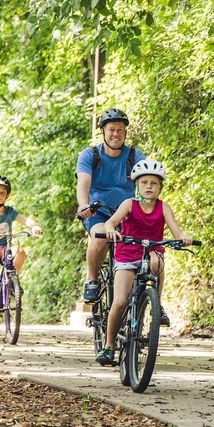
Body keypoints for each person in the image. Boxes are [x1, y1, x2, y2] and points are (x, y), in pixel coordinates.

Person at [95, 159, 191, 366]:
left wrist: (182, 238)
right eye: (144, 182)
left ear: (160, 187)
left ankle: (158, 302)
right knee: (120, 301)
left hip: (151, 251)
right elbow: (112, 221)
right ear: (137, 185)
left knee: (158, 260)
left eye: (154, 183)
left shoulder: (164, 207)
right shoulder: (129, 204)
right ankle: (109, 345)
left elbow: (176, 230)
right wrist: (111, 228)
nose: (149, 186)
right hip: (127, 253)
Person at [75, 108, 145, 304]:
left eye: (120, 130)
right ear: (103, 132)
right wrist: (83, 205)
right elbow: (83, 183)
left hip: (127, 213)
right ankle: (92, 279)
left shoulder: (134, 156)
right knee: (100, 237)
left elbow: (150, 179)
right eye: (112, 129)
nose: (116, 134)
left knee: (147, 247)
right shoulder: (90, 155)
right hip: (98, 212)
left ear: (125, 132)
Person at [0, 175, 43, 329]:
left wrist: (34, 226)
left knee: (21, 252)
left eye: (2, 192)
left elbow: (25, 220)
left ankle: (10, 283)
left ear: (7, 196)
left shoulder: (10, 211)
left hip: (5, 247)